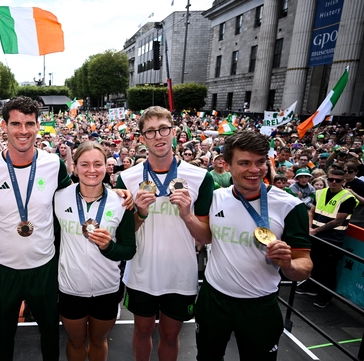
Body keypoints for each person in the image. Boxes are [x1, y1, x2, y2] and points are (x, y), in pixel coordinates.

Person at [195, 130, 313, 360]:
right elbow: (205, 237)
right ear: (227, 165)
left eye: (260, 162)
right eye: (245, 163)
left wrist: (288, 265)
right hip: (213, 299)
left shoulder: (290, 205)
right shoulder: (215, 197)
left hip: (260, 305)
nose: (254, 170)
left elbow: (305, 265)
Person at [0, 96, 73, 361]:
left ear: (38, 126)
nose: (23, 131)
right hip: (3, 268)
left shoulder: (53, 164)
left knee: (50, 334)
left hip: (43, 266)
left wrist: (116, 194)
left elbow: (73, 202)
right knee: (3, 337)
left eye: (29, 124)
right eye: (16, 123)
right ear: (4, 126)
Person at [116, 105, 214, 361]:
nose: (158, 136)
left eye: (163, 129)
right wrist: (139, 213)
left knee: (171, 337)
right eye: (150, 132)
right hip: (141, 272)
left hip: (179, 274)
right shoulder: (126, 178)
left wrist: (187, 215)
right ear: (141, 138)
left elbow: (205, 237)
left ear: (174, 131)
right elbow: (123, 235)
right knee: (141, 332)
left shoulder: (201, 177)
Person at [55, 141, 136, 361]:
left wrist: (108, 247)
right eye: (85, 164)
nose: (92, 170)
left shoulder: (121, 201)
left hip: (107, 289)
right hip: (71, 288)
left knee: (99, 341)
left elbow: (129, 250)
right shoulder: (58, 197)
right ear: (75, 167)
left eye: (98, 164)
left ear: (107, 166)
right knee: (76, 341)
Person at [300, 168, 357, 308]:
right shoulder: (320, 193)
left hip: (333, 238)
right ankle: (312, 286)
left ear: (344, 181)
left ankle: (325, 295)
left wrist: (315, 230)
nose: (333, 182)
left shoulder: (348, 198)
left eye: (337, 180)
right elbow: (312, 211)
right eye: (331, 179)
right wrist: (309, 228)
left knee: (328, 268)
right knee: (314, 262)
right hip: (315, 234)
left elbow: (338, 221)